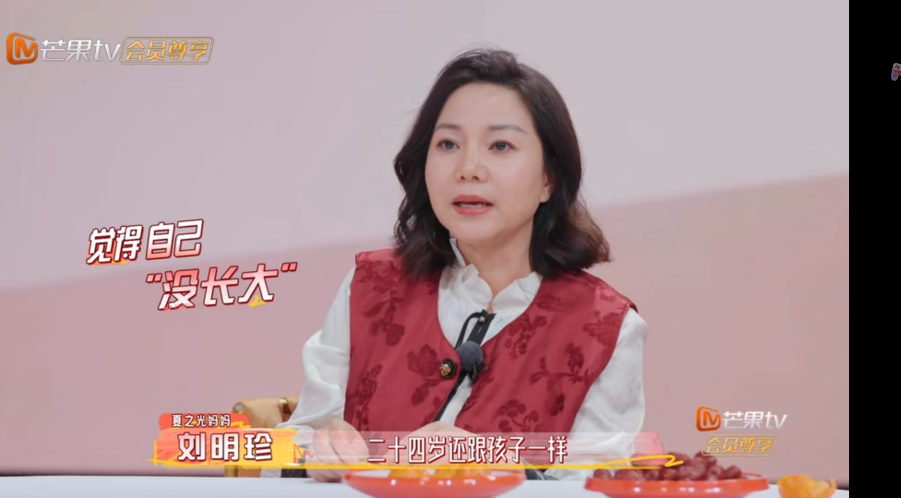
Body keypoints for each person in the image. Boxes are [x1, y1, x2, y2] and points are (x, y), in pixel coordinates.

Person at [265, 48, 648, 482]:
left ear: (548, 178)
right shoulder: (370, 287)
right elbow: (292, 442)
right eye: (448, 144)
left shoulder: (606, 327)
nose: (468, 169)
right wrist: (313, 451)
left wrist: (496, 466)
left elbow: (594, 484)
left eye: (500, 146)